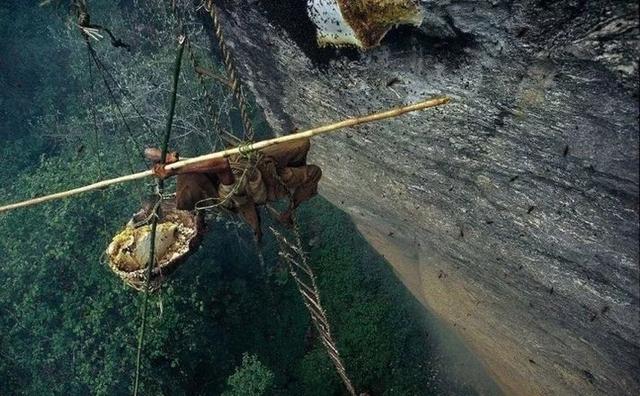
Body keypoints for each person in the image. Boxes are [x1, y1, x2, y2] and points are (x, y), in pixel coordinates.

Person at [145, 139, 322, 241]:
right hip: (268, 181)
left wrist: (167, 158)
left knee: (303, 144)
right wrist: (175, 169)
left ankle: (295, 164)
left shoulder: (196, 171)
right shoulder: (224, 195)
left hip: (258, 159)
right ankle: (290, 210)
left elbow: (148, 152)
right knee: (314, 172)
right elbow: (222, 164)